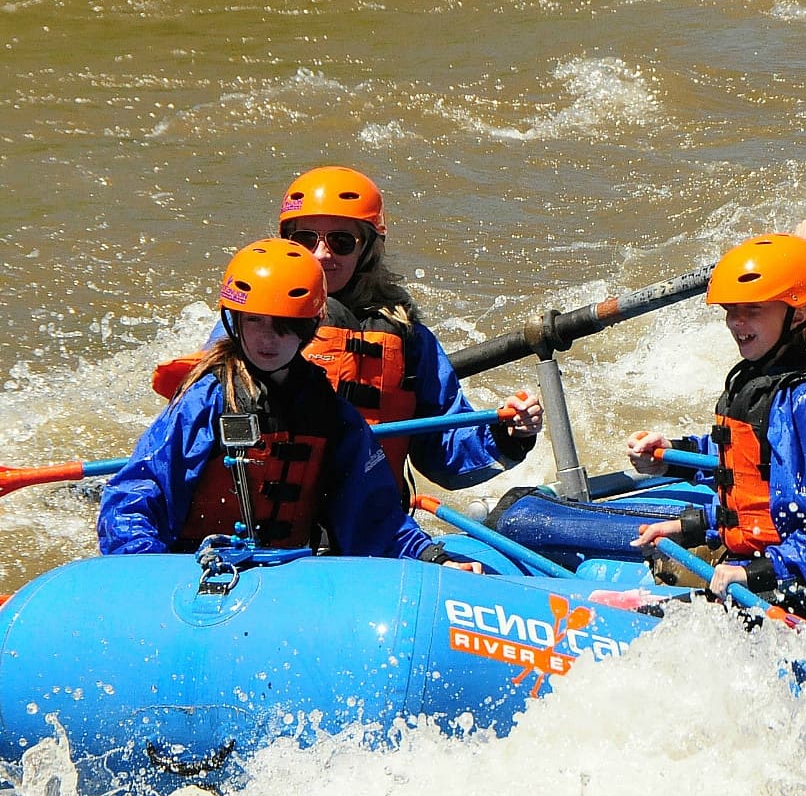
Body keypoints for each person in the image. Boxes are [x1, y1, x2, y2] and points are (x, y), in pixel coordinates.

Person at [98, 239, 438, 558]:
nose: (267, 339)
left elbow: (375, 514)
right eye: (255, 321)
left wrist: (431, 556)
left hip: (284, 571)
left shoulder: (331, 414)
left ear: (310, 326)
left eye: (284, 324)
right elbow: (137, 494)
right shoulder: (205, 400)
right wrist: (142, 562)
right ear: (235, 322)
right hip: (198, 567)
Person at [626, 234, 806, 619]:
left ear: (797, 314)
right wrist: (690, 512)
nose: (736, 323)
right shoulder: (763, 378)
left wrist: (758, 572)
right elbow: (756, 476)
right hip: (766, 572)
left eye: (753, 310)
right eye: (731, 310)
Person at [270, 165, 544, 492]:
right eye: (305, 239)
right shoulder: (254, 321)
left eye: (341, 241)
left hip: (370, 525)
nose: (321, 254)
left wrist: (509, 432)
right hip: (267, 528)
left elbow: (444, 454)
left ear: (367, 249)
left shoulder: (406, 336)